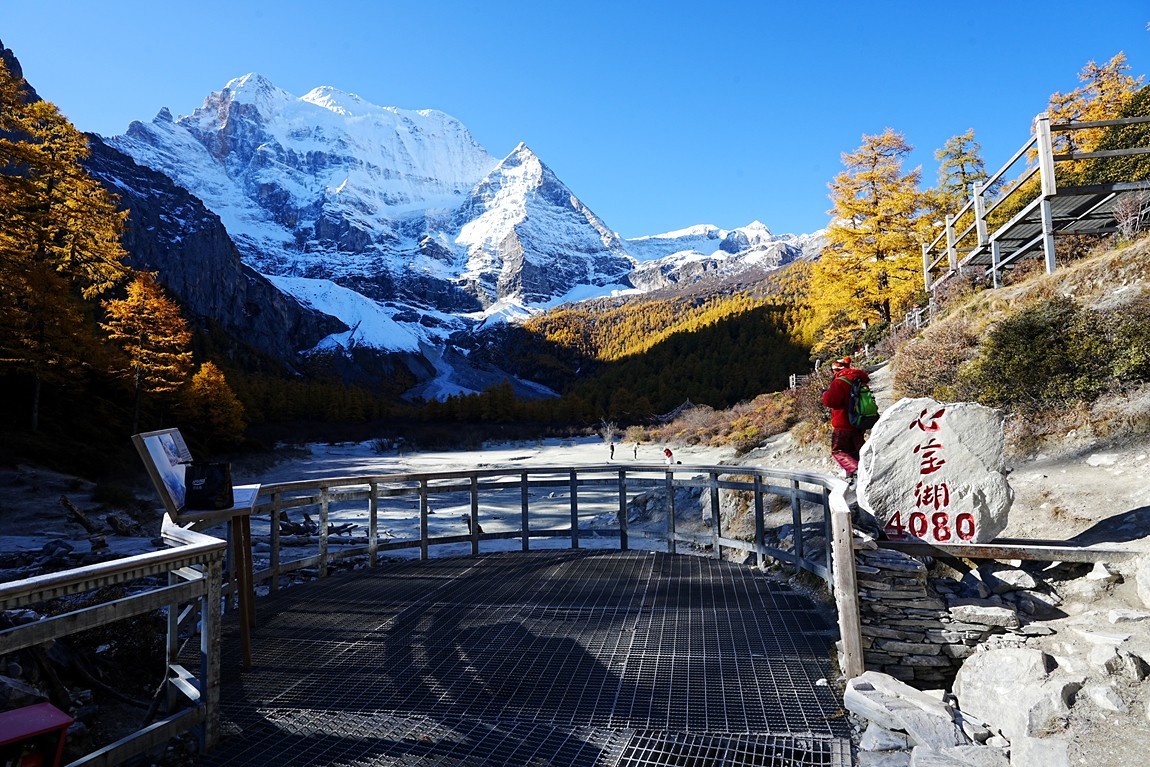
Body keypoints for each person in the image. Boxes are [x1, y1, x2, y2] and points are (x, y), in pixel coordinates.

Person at [820, 355, 869, 482]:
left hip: (843, 422)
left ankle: (858, 471)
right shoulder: (859, 379)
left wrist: (825, 394)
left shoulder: (839, 382)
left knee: (838, 450)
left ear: (836, 370)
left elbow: (831, 401)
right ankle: (859, 475)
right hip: (858, 421)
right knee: (856, 450)